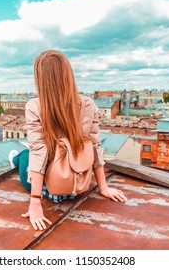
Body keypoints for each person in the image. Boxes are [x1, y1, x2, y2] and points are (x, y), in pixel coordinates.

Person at [9, 50, 127, 231]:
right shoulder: (88, 104)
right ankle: (17, 158)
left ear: (40, 79)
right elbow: (95, 146)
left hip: (49, 188)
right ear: (67, 74)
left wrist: (35, 202)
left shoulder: (34, 106)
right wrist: (103, 187)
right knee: (30, 152)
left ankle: (14, 160)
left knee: (25, 155)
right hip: (79, 184)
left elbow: (38, 152)